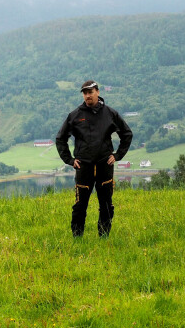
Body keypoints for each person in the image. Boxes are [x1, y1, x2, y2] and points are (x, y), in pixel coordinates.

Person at [55, 80, 133, 237]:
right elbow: (60, 138)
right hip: (83, 167)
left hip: (105, 165)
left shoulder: (110, 113)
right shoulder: (75, 115)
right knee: (80, 205)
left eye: (90, 92)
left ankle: (104, 237)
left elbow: (127, 134)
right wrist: (69, 160)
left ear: (98, 92)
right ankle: (77, 239)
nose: (87, 96)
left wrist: (118, 155)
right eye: (85, 93)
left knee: (106, 205)